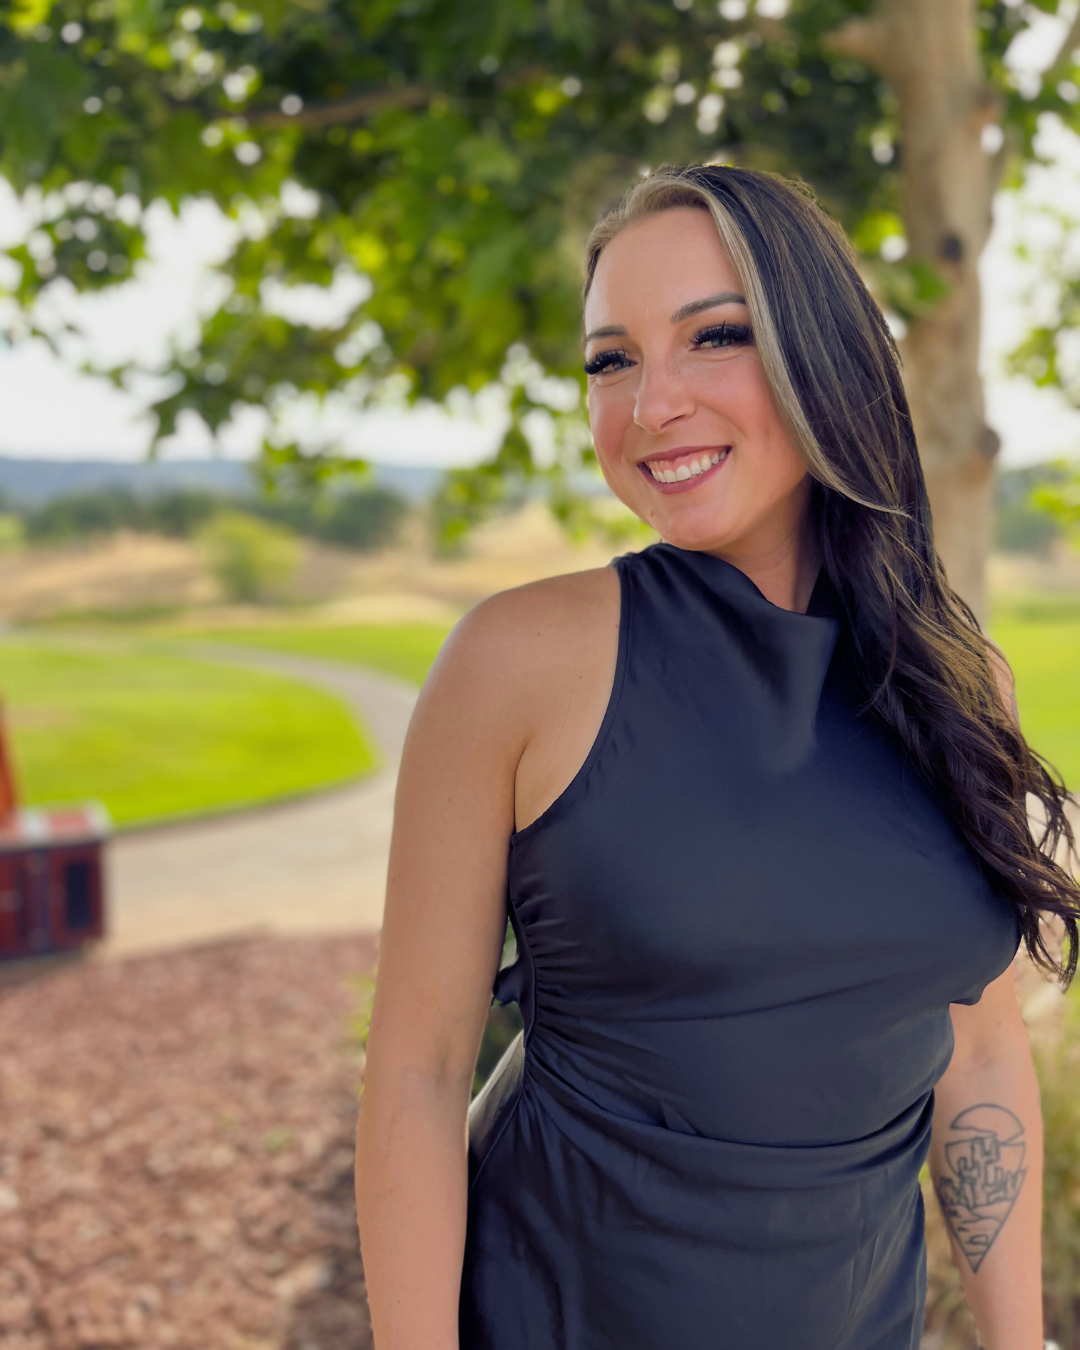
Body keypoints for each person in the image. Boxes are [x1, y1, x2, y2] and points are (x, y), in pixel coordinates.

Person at [354, 165, 1080, 1350]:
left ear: (824, 355)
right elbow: (419, 1078)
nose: (649, 406)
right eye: (610, 360)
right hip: (554, 1313)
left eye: (716, 337)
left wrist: (1021, 1345)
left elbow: (980, 1049)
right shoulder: (518, 660)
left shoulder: (959, 684)